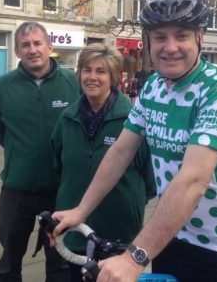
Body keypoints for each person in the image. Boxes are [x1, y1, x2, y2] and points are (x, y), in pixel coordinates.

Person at [50, 0, 217, 282]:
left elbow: (193, 180)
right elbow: (120, 152)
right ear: (148, 41)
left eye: (181, 35)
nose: (170, 46)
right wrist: (81, 210)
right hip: (171, 233)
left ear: (200, 38)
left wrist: (135, 257)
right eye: (160, 37)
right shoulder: (153, 88)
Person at [51, 43, 156, 281]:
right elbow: (58, 167)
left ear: (114, 77)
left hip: (118, 231)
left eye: (101, 71)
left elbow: (151, 179)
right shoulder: (67, 119)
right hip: (76, 233)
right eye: (86, 70)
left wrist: (131, 201)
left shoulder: (133, 121)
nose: (92, 77)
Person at [0, 21, 80, 282]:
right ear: (17, 51)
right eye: (25, 45)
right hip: (17, 189)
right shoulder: (3, 86)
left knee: (60, 261)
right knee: (9, 261)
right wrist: (18, 149)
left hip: (61, 190)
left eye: (37, 43)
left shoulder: (73, 82)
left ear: (50, 47)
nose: (32, 49)